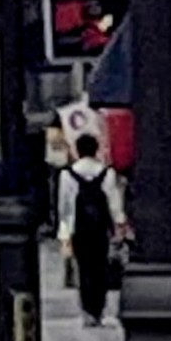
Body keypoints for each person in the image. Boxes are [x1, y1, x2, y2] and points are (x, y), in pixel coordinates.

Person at [59, 132, 121, 328]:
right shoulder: (107, 173)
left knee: (84, 269)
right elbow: (114, 203)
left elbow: (65, 207)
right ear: (96, 149)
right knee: (100, 268)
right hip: (101, 229)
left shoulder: (67, 175)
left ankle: (87, 311)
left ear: (77, 150)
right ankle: (99, 309)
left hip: (80, 229)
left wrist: (64, 235)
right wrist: (119, 225)